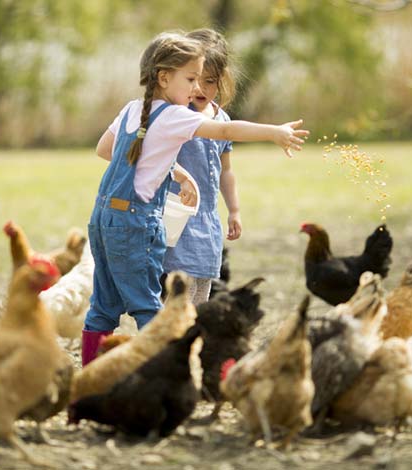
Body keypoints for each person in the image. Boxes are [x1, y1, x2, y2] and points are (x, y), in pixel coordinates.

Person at [82, 31, 308, 366]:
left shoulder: (133, 109)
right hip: (134, 224)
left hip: (102, 220)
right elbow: (227, 131)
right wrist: (274, 132)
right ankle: (154, 378)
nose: (195, 88)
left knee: (103, 307)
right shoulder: (175, 116)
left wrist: (173, 170)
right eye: (190, 79)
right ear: (163, 77)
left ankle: (89, 378)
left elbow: (108, 150)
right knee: (150, 309)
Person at [162, 29, 240, 306]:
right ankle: (172, 338)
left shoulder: (222, 118)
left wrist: (234, 210)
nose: (201, 89)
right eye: (194, 80)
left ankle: (193, 339)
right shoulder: (177, 115)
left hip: (207, 218)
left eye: (210, 82)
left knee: (202, 291)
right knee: (178, 290)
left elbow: (226, 170)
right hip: (178, 213)